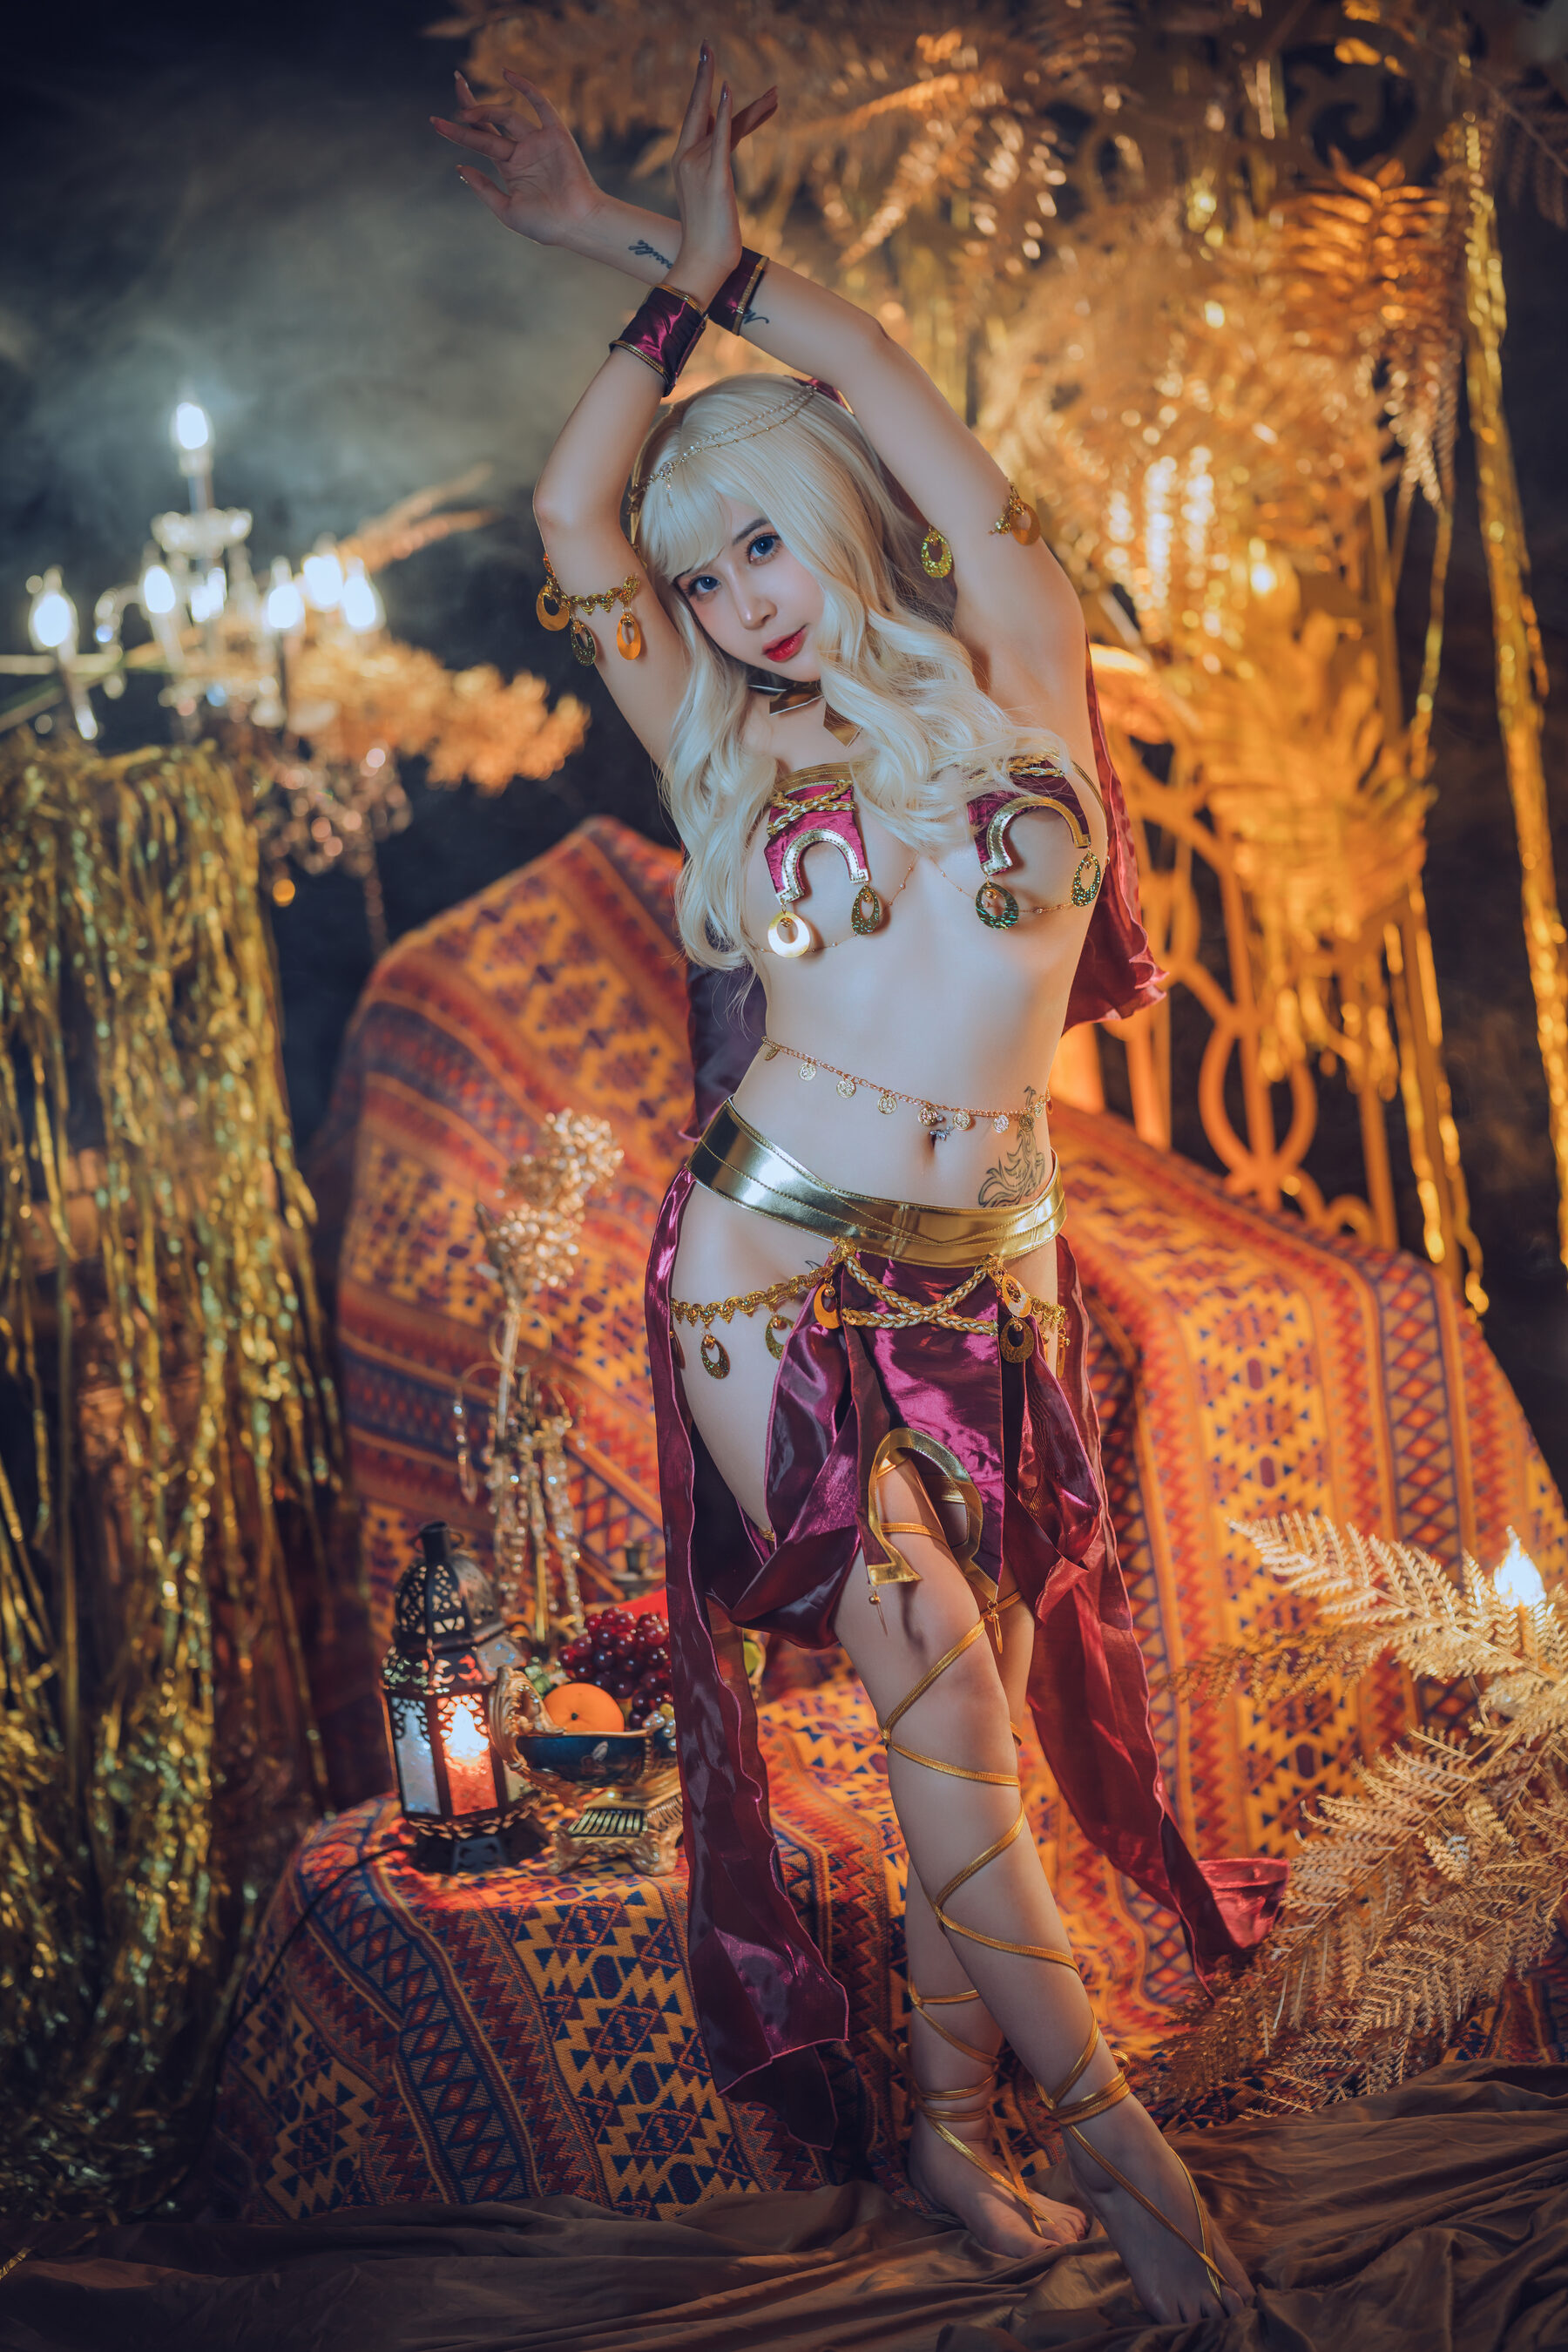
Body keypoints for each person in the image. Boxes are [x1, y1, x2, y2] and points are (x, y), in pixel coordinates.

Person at [435, 44, 1281, 2324]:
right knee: (934, 1677)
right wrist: (646, 296)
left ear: (843, 509)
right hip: (769, 1256)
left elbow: (897, 379)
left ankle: (939, 2130)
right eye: (702, 579)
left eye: (763, 545)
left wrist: (707, 261)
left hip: (986, 1269)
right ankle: (1122, 2164)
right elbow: (574, 517)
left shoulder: (1018, 660)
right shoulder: (719, 740)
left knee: (952, 1715)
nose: (735, 603)